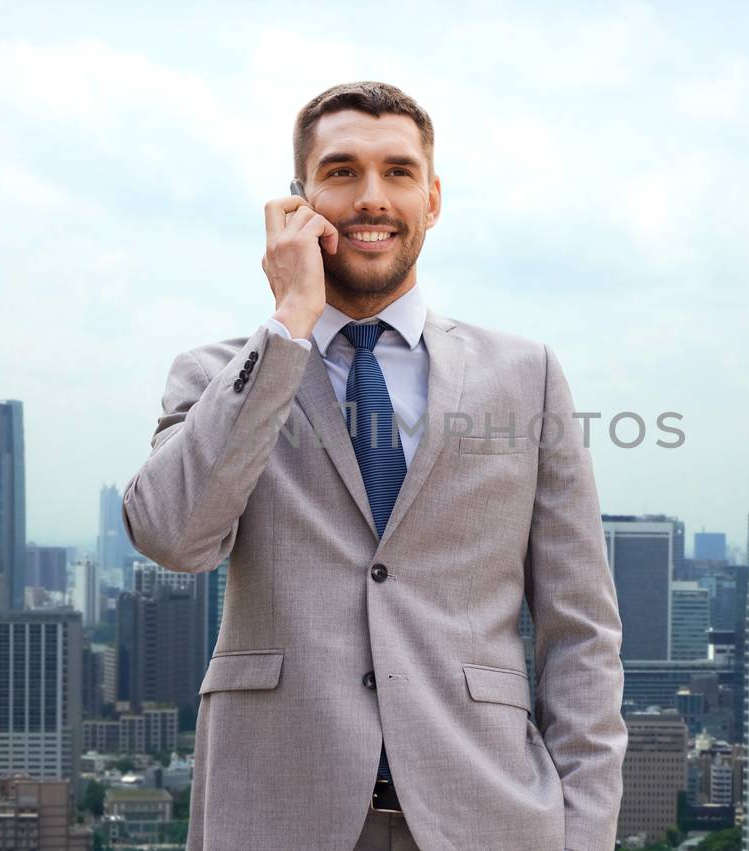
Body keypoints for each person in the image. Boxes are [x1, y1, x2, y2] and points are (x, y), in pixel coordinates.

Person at [123, 80, 626, 851]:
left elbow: (581, 632)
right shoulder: (218, 375)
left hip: (489, 818)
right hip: (276, 817)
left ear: (432, 198)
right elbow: (170, 535)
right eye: (341, 171)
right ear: (299, 201)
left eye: (397, 172)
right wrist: (290, 320)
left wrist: (583, 836)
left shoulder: (528, 377)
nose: (370, 197)